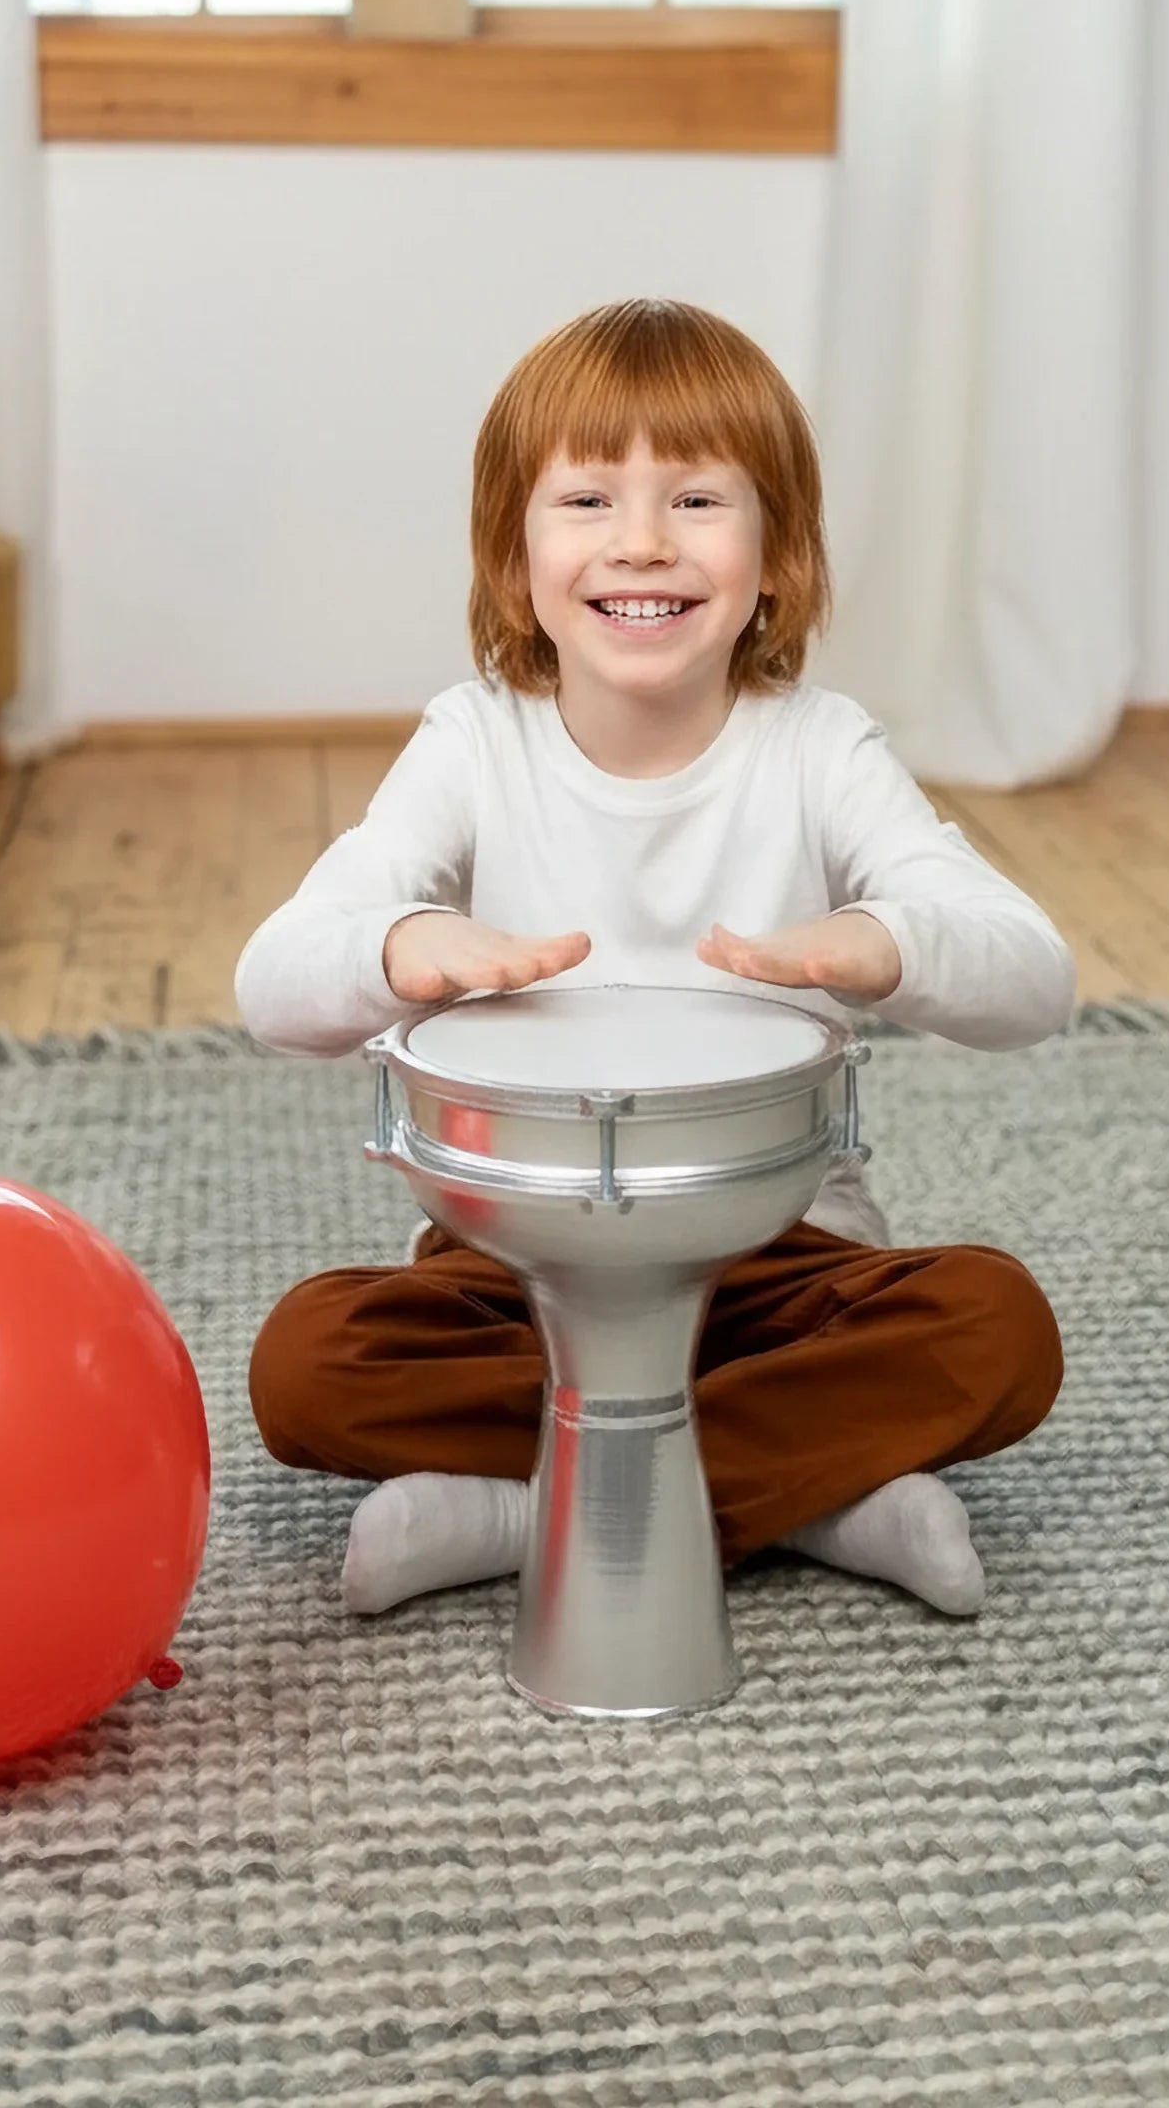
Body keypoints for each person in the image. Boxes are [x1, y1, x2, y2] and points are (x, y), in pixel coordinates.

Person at [233, 298, 1074, 1622]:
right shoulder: (474, 742)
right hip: (520, 1267)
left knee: (996, 1326)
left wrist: (889, 942)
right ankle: (816, 1487)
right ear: (512, 560)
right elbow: (272, 981)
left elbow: (1036, 976)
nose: (641, 542)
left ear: (777, 556)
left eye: (695, 500)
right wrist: (400, 944)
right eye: (586, 501)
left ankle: (531, 1510)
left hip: (782, 1250)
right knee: (309, 1363)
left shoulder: (820, 748)